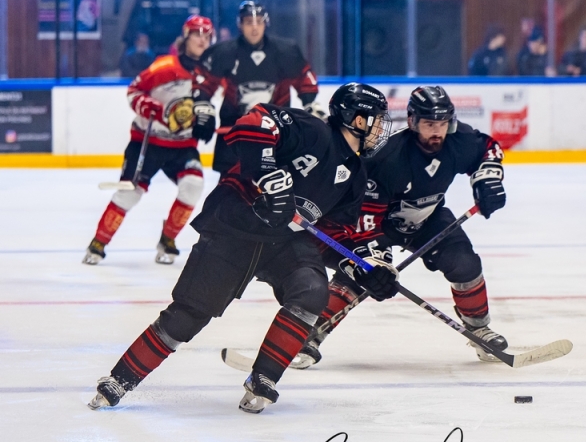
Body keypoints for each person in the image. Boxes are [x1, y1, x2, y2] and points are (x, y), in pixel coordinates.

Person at [87, 83, 398, 414]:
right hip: (234, 228)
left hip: (285, 243)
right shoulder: (313, 130)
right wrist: (269, 177)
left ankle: (264, 377)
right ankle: (120, 379)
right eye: (376, 120)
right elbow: (255, 122)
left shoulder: (355, 175)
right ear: (356, 120)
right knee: (189, 316)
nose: (381, 129)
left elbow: (332, 236)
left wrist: (364, 268)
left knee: (311, 290)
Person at [291, 85, 508, 370]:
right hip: (381, 222)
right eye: (429, 124)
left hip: (429, 218)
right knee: (362, 272)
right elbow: (365, 214)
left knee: (464, 262)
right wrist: (374, 258)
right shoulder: (387, 158)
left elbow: (488, 148)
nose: (437, 131)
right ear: (413, 122)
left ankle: (479, 329)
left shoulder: (461, 141)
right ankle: (310, 333)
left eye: (442, 124)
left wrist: (487, 178)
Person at [83, 16, 215, 266]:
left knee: (193, 186)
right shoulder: (164, 66)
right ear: (185, 37)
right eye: (197, 34)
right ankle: (98, 243)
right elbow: (134, 91)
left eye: (207, 36)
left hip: (183, 147)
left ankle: (167, 240)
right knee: (130, 194)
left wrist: (207, 118)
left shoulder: (209, 74)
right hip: (148, 142)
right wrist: (157, 110)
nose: (202, 39)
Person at [192, 1, 325, 175]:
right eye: (249, 22)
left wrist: (309, 103)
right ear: (240, 24)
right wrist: (203, 107)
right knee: (228, 193)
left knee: (278, 189)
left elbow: (304, 79)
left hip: (277, 133)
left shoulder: (286, 51)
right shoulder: (223, 53)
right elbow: (204, 82)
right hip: (235, 132)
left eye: (259, 22)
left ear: (265, 23)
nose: (254, 28)